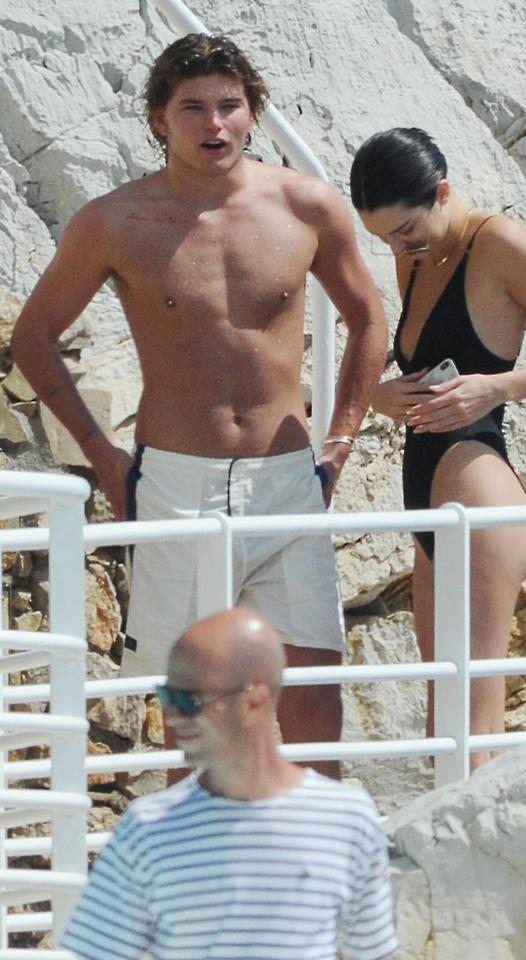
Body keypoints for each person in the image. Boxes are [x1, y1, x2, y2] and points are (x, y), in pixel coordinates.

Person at [11, 34, 388, 779]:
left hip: (286, 478)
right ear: (159, 119)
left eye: (229, 105)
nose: (214, 124)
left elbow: (369, 320)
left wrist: (341, 440)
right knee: (194, 706)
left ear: (252, 113)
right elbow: (34, 336)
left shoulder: (306, 204)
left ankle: (318, 848)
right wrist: (104, 457)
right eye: (192, 108)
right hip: (175, 482)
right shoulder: (115, 220)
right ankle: (199, 851)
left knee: (312, 697)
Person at [349, 128, 526, 769]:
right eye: (384, 238)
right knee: (444, 723)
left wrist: (494, 388)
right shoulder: (417, 254)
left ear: (443, 192)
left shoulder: (498, 242)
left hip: (479, 492)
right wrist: (382, 396)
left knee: (471, 725)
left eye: (406, 230)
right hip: (432, 492)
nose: (398, 248)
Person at [60, 607, 399, 960]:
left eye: (190, 700)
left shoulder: (346, 819)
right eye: (167, 697)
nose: (173, 717)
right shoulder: (147, 827)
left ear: (255, 698)